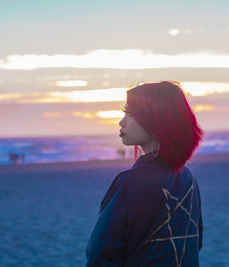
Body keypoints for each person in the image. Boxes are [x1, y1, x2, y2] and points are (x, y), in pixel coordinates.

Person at [86, 81, 204, 266]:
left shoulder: (129, 183)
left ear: (156, 122)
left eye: (130, 114)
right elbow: (194, 242)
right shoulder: (187, 177)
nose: (121, 121)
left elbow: (101, 253)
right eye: (124, 113)